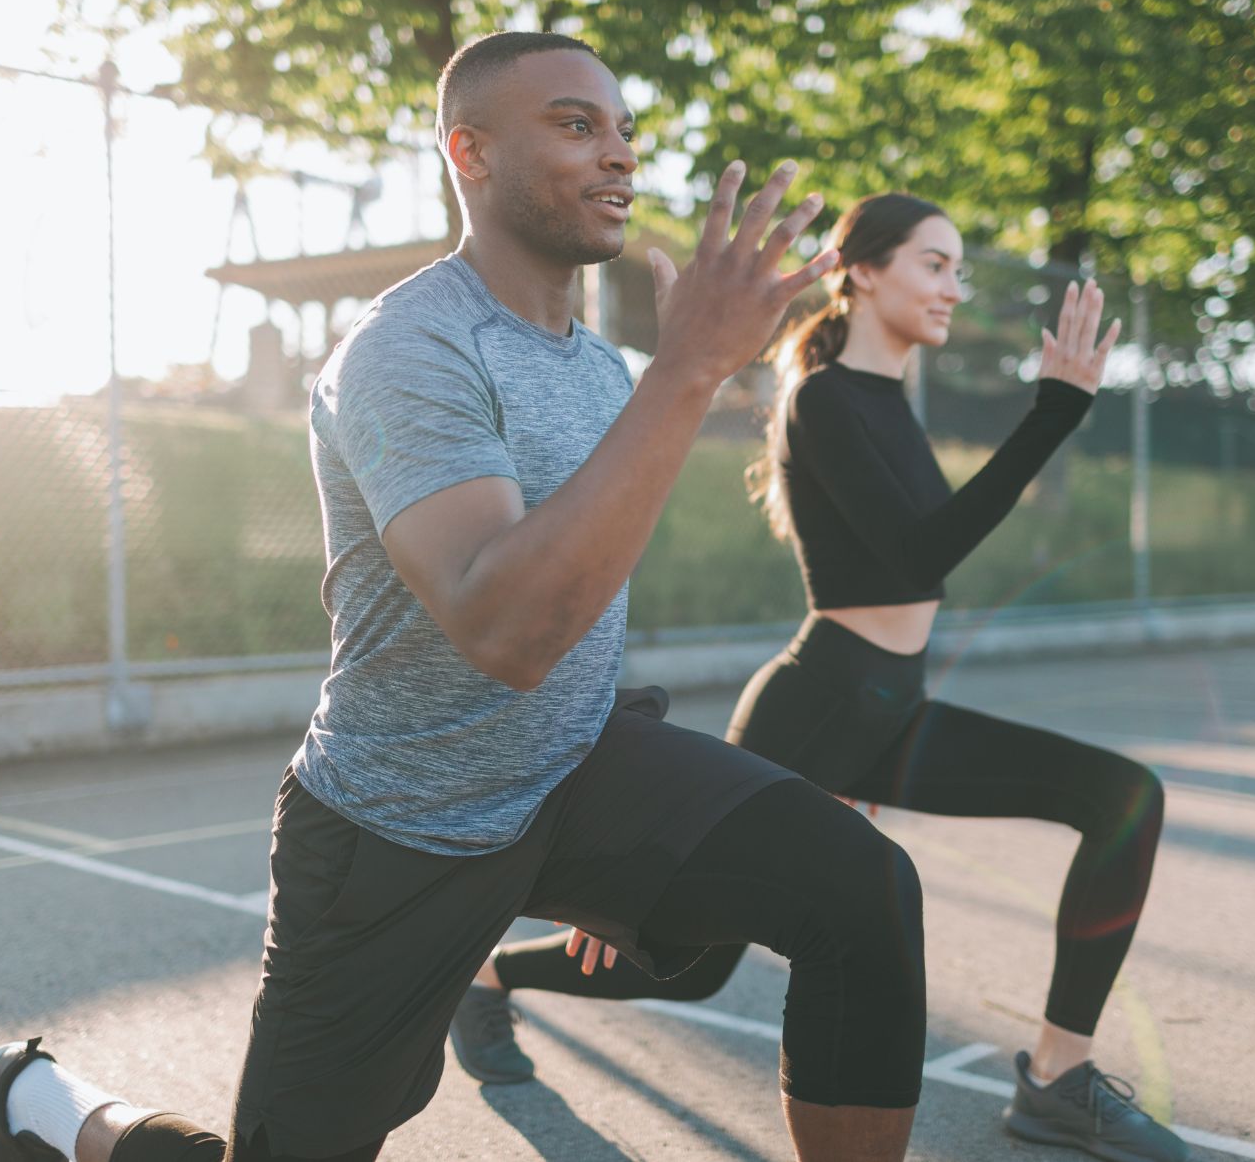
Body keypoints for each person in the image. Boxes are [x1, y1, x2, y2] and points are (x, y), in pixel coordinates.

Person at [0, 32, 933, 1162]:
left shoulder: (591, 366)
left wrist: (621, 848)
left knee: (860, 890)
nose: (617, 154)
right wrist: (689, 370)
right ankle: (49, 1109)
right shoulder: (406, 349)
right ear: (468, 151)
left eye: (623, 130)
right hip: (398, 826)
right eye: (577, 126)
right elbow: (505, 627)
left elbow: (582, 595)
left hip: (572, 773)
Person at [452, 193, 1190, 1162]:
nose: (952, 287)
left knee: (1121, 795)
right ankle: (488, 981)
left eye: (957, 268)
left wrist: (1052, 410)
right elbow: (917, 555)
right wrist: (1052, 411)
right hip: (816, 707)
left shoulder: (885, 402)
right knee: (681, 969)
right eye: (933, 263)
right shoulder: (825, 398)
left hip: (893, 708)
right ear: (864, 269)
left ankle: (1055, 1074)